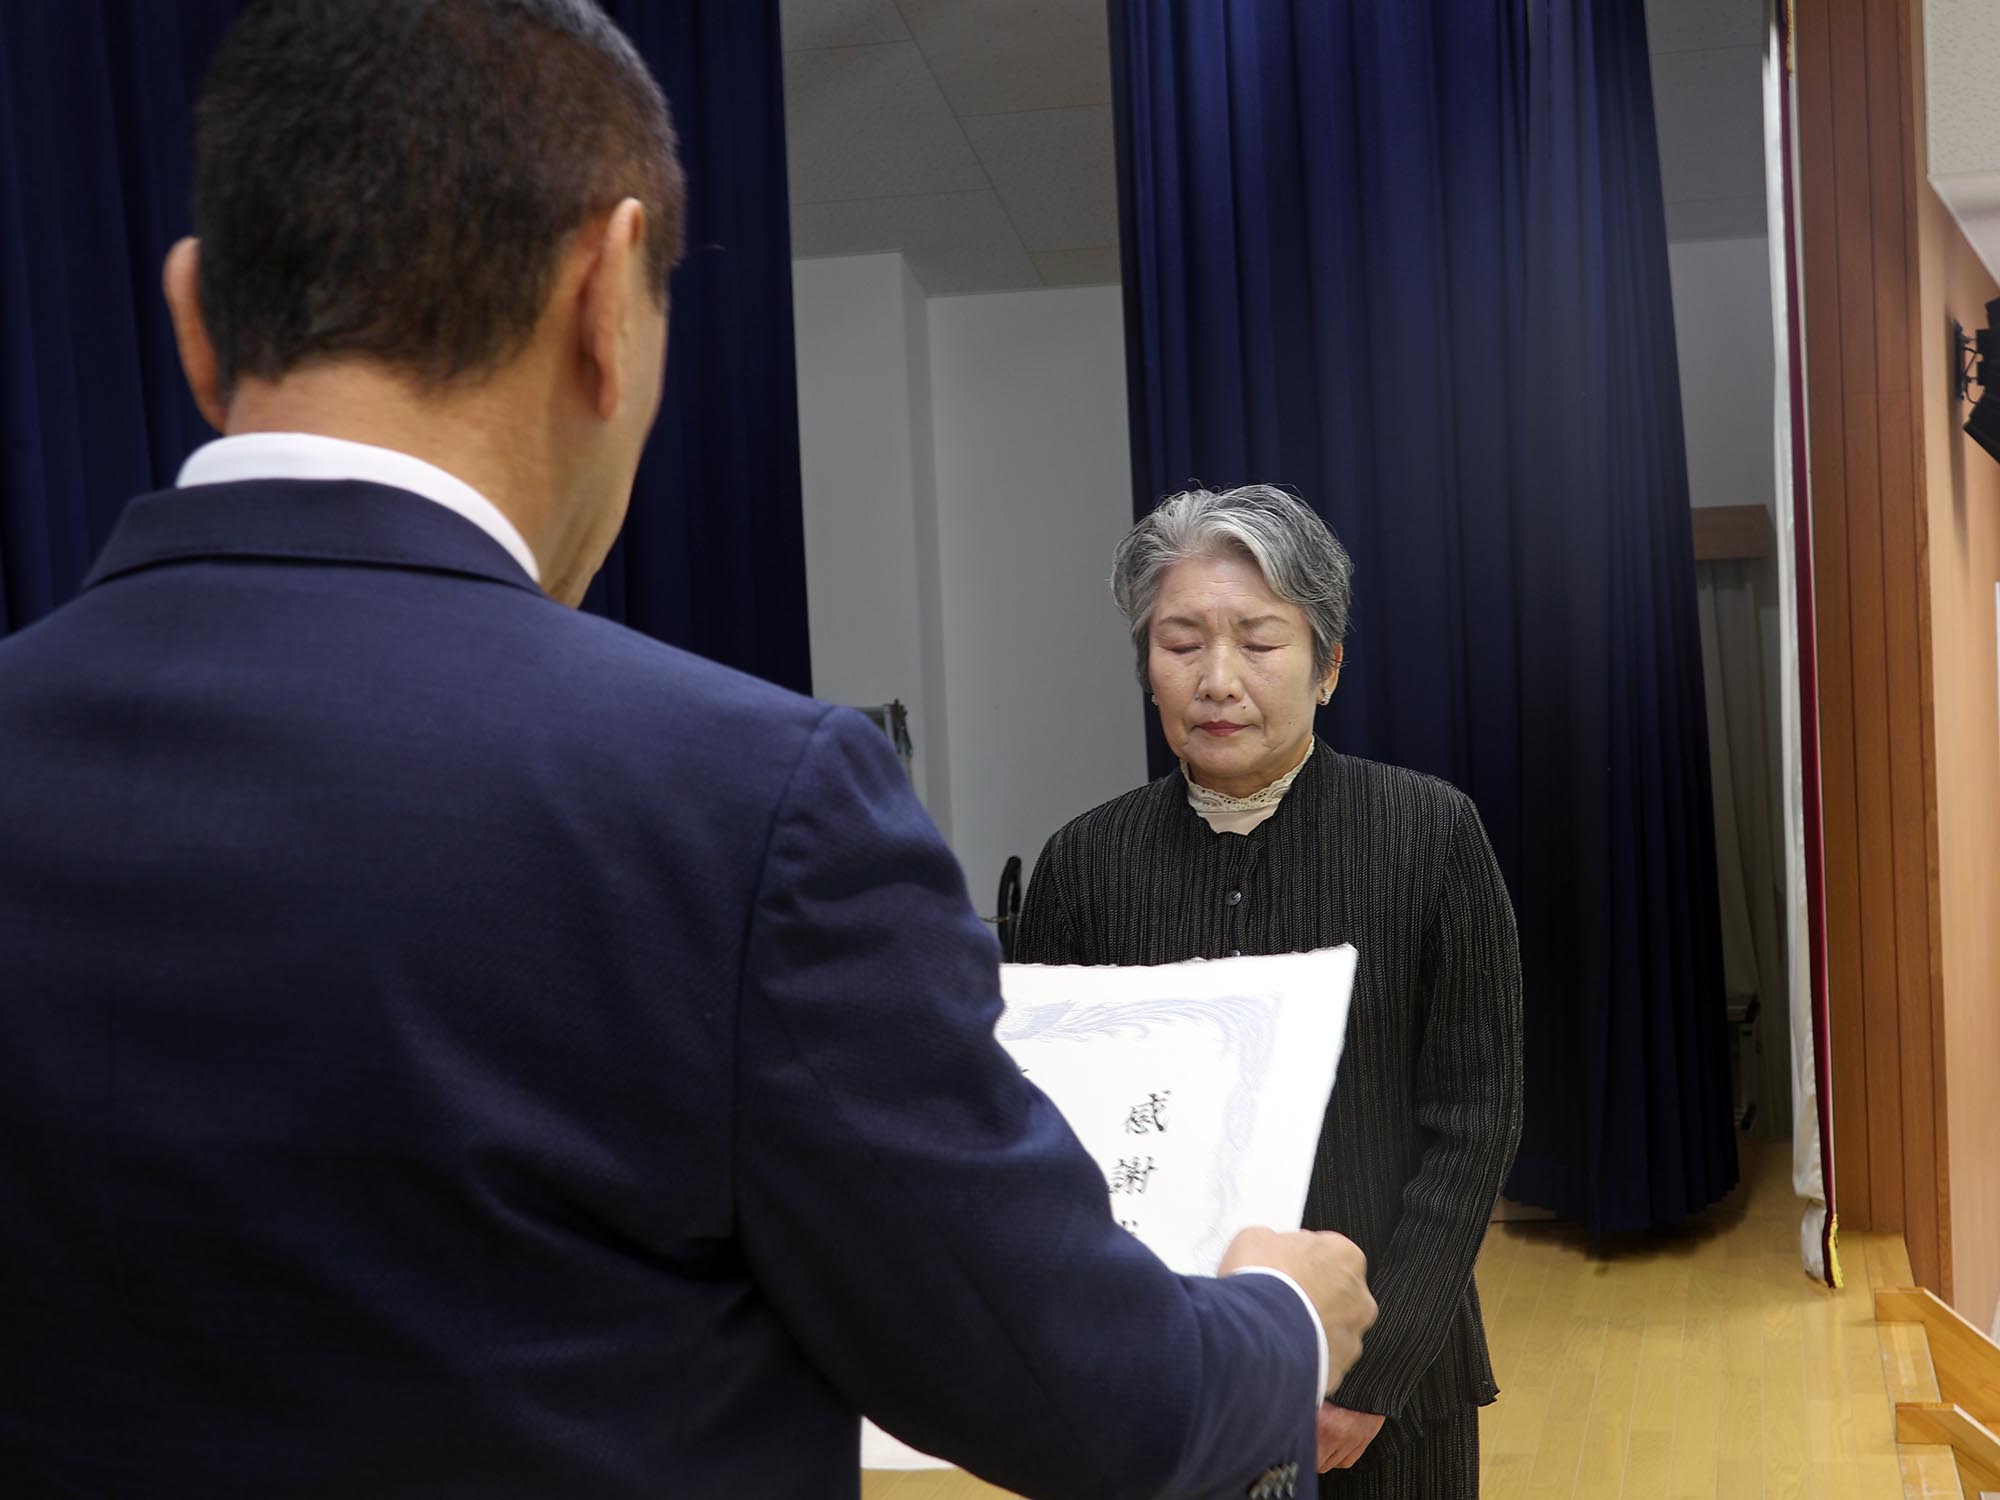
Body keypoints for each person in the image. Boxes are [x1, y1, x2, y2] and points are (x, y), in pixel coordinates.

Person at [0, 6, 1378, 1499]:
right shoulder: (754, 812)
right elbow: (1094, 1394)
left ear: (198, 320)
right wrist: (1284, 1318)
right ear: (605, 295)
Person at [1014, 486, 1525, 1499]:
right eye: (1179, 642)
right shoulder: (1083, 863)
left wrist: (1368, 1372)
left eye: (1257, 641)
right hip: (1163, 1385)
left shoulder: (1428, 835)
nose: (1215, 679)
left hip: (1386, 1393)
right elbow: (1046, 1133)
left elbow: (1475, 1118)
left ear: (1325, 665)